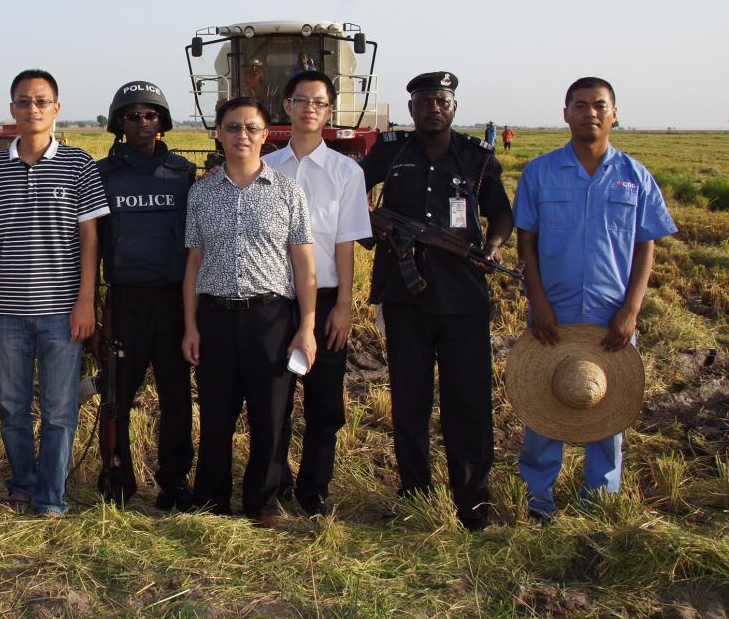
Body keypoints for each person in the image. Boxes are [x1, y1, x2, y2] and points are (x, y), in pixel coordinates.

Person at [513, 77, 676, 521]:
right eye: (580, 105)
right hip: (556, 312)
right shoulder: (540, 173)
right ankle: (538, 499)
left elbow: (647, 245)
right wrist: (538, 301)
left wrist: (631, 309)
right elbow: (527, 241)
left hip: (611, 315)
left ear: (614, 114)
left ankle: (599, 501)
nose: (590, 113)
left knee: (608, 411)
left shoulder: (634, 177)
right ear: (565, 113)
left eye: (599, 105)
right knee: (543, 407)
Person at [360, 71, 513, 530]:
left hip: (463, 299)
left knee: (468, 402)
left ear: (454, 107)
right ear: (411, 110)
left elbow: (501, 211)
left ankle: (474, 503)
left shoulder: (476, 157)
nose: (433, 108)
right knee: (410, 401)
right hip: (404, 298)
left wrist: (494, 246)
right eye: (424, 102)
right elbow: (348, 195)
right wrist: (373, 220)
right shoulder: (391, 152)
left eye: (442, 101)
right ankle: (415, 493)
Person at [0, 70, 109, 518]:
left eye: (41, 101)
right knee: (12, 406)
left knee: (58, 410)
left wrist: (85, 300)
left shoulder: (78, 165)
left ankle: (51, 496)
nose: (32, 109)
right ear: (12, 109)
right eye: (23, 101)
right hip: (7, 312)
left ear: (56, 108)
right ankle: (22, 485)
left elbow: (90, 238)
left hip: (62, 311)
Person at [182, 97, 317, 528]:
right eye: (233, 127)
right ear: (219, 134)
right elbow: (193, 264)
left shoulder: (289, 192)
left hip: (271, 319)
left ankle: (262, 504)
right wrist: (190, 326)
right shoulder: (201, 193)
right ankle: (212, 500)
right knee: (217, 413)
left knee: (271, 415)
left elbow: (304, 265)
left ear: (266, 134)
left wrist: (307, 326)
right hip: (216, 318)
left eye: (252, 128)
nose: (243, 135)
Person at [264, 70, 373, 516]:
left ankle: (315, 489)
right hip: (274, 301)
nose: (310, 108)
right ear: (286, 107)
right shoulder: (264, 169)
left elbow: (345, 243)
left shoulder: (346, 172)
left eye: (319, 102)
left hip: (327, 299)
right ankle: (275, 484)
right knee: (274, 401)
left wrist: (344, 305)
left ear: (329, 111)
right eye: (301, 100)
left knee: (325, 403)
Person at [94, 81, 196, 510]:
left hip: (173, 300)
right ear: (119, 122)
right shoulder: (101, 174)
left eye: (150, 115)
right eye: (133, 115)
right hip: (125, 300)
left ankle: (173, 484)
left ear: (162, 122)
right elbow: (91, 241)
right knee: (117, 396)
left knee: (176, 397)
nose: (142, 122)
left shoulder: (184, 173)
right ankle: (116, 478)